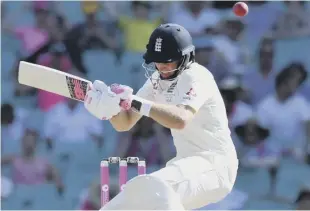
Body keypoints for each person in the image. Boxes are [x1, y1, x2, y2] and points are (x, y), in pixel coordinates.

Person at [84, 23, 238, 210]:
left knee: (155, 188)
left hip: (215, 165)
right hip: (186, 165)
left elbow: (181, 119)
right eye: (158, 61)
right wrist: (108, 110)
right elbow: (125, 124)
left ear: (185, 58)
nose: (162, 67)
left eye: (168, 61)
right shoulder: (157, 80)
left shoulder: (197, 76)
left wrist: (133, 101)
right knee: (124, 202)